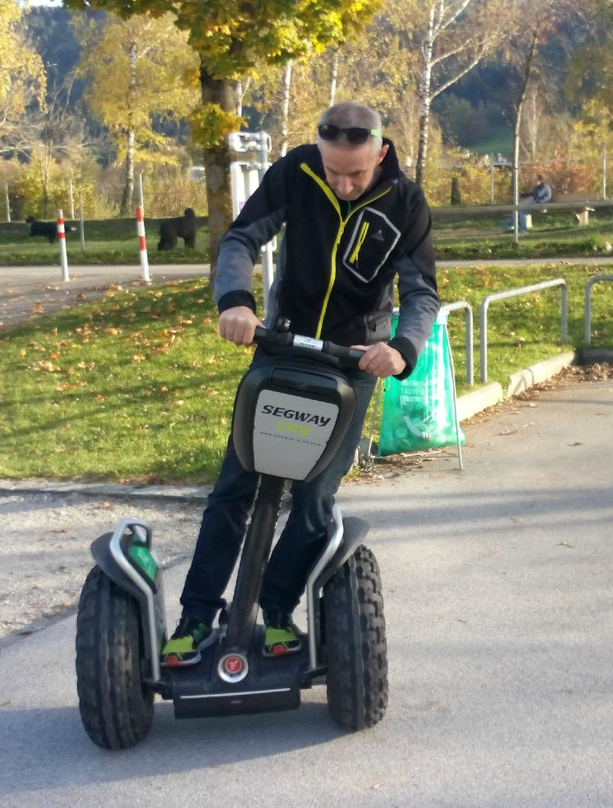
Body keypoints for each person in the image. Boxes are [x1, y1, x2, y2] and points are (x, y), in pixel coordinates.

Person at [160, 101, 440, 665]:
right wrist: (236, 302)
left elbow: (421, 295)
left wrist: (400, 349)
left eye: (355, 173)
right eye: (333, 170)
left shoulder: (406, 204)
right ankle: (194, 617)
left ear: (380, 153)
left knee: (314, 496)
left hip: (352, 362)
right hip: (281, 351)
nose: (341, 183)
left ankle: (279, 609)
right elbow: (241, 240)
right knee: (234, 488)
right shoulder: (296, 170)